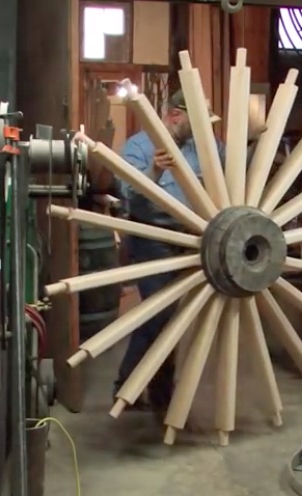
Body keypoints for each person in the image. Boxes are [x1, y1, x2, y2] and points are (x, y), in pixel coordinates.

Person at [113, 89, 224, 408]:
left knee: (171, 317)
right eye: (197, 121)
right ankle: (138, 389)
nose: (205, 130)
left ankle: (146, 388)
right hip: (153, 238)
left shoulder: (206, 146)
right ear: (175, 115)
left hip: (191, 241)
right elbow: (128, 194)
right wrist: (155, 171)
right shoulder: (138, 147)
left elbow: (232, 171)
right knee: (159, 314)